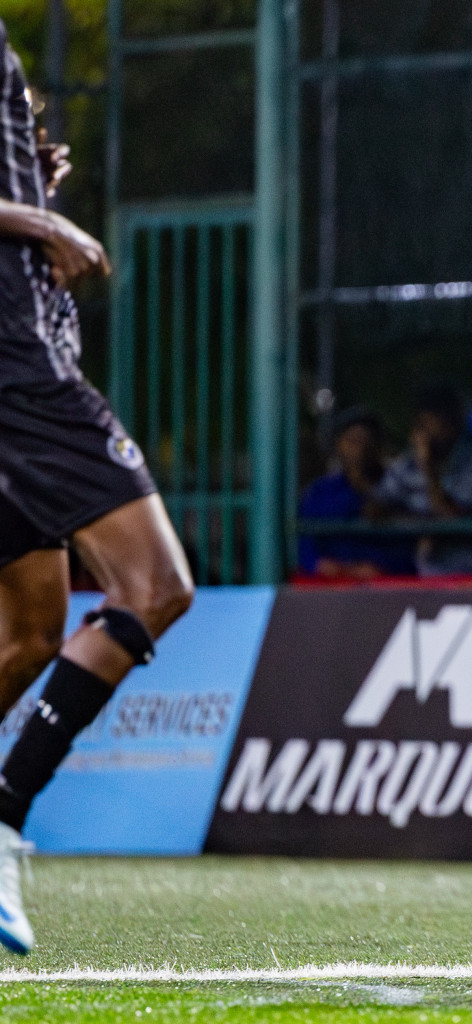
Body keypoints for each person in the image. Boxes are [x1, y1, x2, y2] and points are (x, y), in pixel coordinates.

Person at [0, 19, 195, 954]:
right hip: (20, 382)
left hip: (21, 382)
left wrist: (30, 189)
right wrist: (33, 215)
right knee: (156, 588)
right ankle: (2, 813)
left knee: (32, 630)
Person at [375, 384, 472, 576]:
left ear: (453, 423)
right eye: (422, 422)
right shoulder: (406, 465)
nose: (427, 431)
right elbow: (375, 510)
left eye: (435, 420)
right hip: (422, 567)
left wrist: (428, 470)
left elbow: (449, 516)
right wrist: (421, 528)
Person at [295, 407, 415, 579]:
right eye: (352, 440)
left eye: (366, 440)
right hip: (327, 586)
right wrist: (320, 565)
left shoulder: (397, 485)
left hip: (384, 588)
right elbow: (305, 548)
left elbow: (407, 552)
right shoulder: (319, 491)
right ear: (337, 445)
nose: (360, 448)